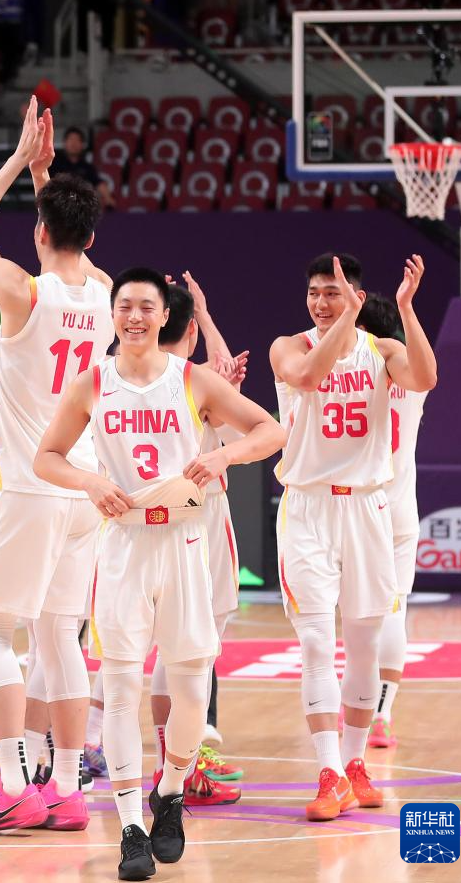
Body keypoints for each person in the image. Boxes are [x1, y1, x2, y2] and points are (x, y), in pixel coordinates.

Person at [34, 266, 285, 879]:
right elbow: (45, 457)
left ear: (165, 315)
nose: (135, 316)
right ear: (112, 314)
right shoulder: (92, 382)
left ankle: (170, 791)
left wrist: (224, 455)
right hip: (123, 542)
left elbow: (272, 430)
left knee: (192, 688)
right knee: (121, 688)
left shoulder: (192, 380)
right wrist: (89, 480)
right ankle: (129, 827)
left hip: (184, 539)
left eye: (147, 306)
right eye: (125, 306)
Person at [0, 97, 115, 835]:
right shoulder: (106, 294)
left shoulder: (20, 292)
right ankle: (69, 789)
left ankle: (15, 785)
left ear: (39, 231)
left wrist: (20, 161)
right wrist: (49, 182)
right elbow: (75, 252)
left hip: (27, 486)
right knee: (59, 639)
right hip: (83, 491)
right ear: (89, 235)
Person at [269, 253, 437, 822]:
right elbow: (307, 376)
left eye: (333, 293)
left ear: (357, 298)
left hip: (368, 507)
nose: (321, 302)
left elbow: (426, 378)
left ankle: (355, 761)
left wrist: (407, 309)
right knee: (317, 643)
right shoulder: (287, 346)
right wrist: (344, 320)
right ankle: (328, 772)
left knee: (365, 643)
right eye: (315, 292)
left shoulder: (382, 352)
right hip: (309, 507)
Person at [146, 275, 249, 808]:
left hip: (145, 519)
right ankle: (183, 768)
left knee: (160, 648)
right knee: (196, 648)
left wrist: (201, 320)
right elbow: (249, 428)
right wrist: (207, 317)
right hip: (200, 518)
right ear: (188, 329)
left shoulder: (131, 376)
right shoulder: (198, 382)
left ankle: (169, 764)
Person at [355, 293, 429, 749]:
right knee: (395, 610)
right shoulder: (414, 377)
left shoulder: (352, 377)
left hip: (361, 509)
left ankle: (356, 711)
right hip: (401, 509)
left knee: (359, 618)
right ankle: (382, 714)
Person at [49, 127, 114, 209]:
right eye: (71, 140)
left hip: (80, 207)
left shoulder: (87, 167)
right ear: (64, 143)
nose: (74, 143)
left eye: (77, 140)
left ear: (82, 144)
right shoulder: (54, 164)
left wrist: (108, 198)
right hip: (57, 205)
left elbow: (98, 183)